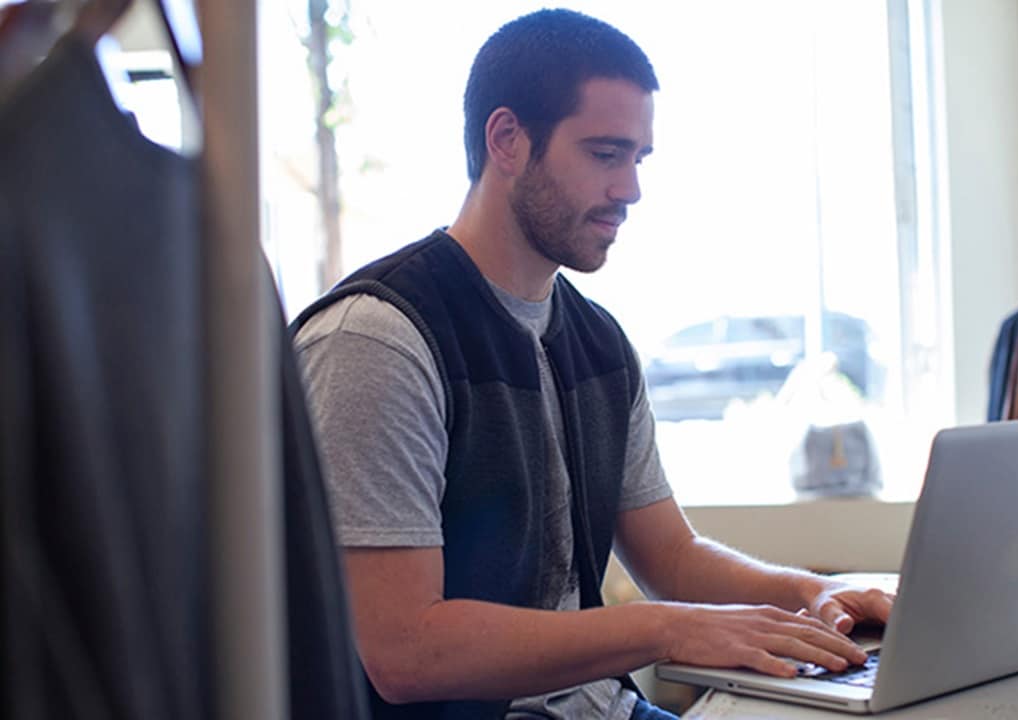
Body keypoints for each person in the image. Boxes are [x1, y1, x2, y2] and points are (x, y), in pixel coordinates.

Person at [291, 9, 893, 720]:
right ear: (507, 140)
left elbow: (671, 558)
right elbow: (404, 651)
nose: (630, 190)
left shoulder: (598, 342)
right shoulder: (378, 341)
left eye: (637, 159)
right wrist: (666, 629)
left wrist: (807, 593)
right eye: (605, 155)